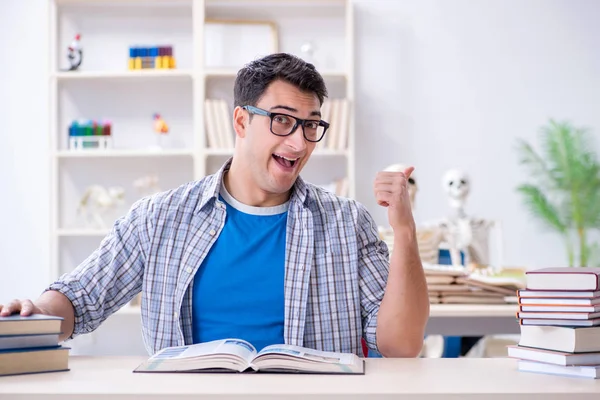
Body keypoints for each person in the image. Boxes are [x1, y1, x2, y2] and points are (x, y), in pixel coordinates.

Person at [0, 53, 429, 358]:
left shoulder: (345, 222)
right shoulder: (160, 217)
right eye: (282, 120)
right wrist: (36, 312)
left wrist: (404, 231)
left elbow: (400, 344)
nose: (299, 142)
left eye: (311, 125)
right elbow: (80, 299)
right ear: (241, 121)